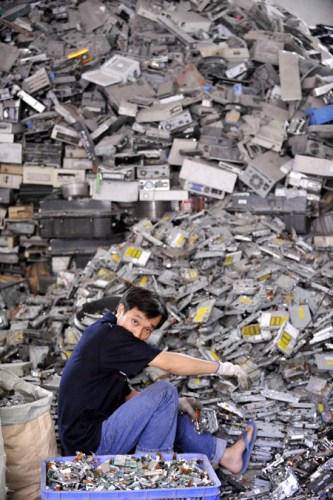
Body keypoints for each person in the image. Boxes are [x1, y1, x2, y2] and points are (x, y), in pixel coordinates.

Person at [58, 286, 257, 474]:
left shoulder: (107, 331)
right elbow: (168, 362)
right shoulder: (109, 336)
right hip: (87, 447)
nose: (138, 333)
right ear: (120, 310)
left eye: (148, 329)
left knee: (167, 406)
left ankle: (226, 456)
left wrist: (175, 405)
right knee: (165, 392)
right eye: (135, 322)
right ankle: (149, 475)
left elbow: (127, 396)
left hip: (93, 435)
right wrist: (223, 368)